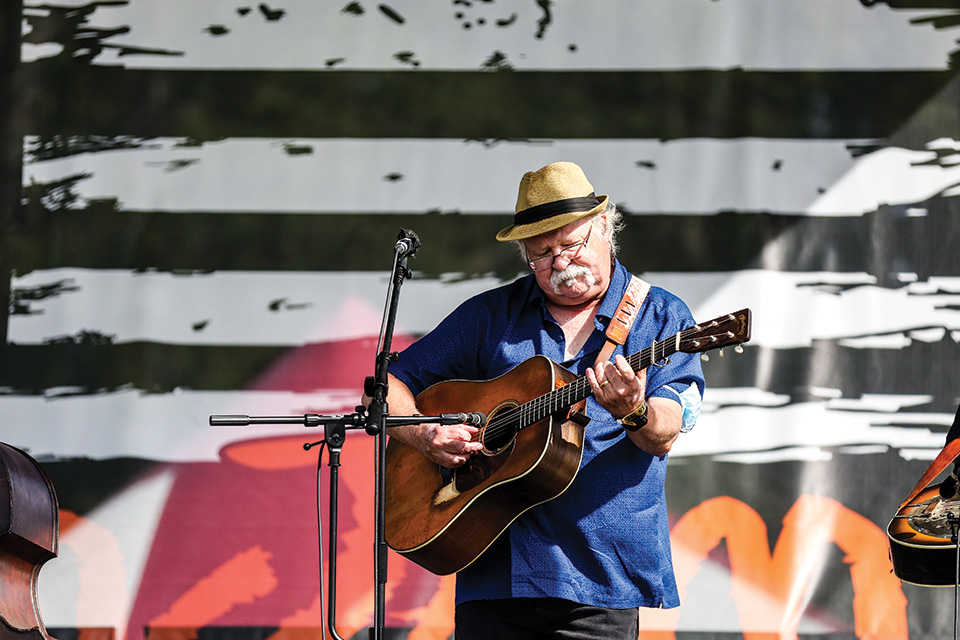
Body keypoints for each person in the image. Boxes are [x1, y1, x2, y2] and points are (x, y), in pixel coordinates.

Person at [381, 161, 705, 639]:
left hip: (599, 580)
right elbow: (387, 382)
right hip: (495, 576)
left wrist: (632, 410)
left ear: (603, 227)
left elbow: (665, 431)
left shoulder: (661, 315)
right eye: (540, 254)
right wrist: (424, 434)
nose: (558, 263)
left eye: (569, 245)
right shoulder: (491, 316)